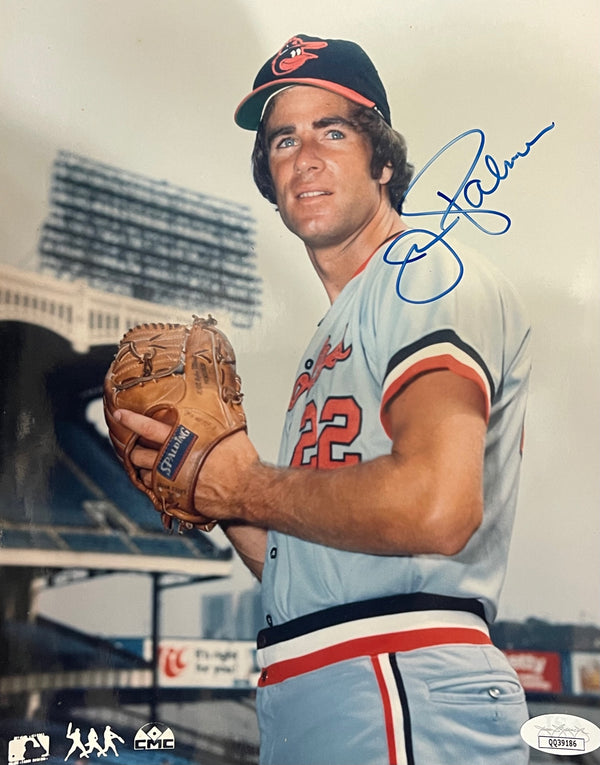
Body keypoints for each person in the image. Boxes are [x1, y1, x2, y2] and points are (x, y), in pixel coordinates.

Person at [117, 34, 531, 765]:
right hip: (330, 680)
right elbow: (308, 566)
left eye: (331, 131)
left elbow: (438, 503)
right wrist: (212, 492)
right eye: (282, 140)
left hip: (397, 672)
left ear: (384, 160)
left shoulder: (423, 269)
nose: (303, 156)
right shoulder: (335, 331)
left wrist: (243, 480)